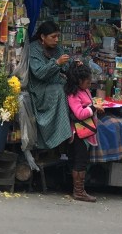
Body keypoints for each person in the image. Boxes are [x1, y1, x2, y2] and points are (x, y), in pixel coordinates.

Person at [27, 20, 72, 151]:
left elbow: (66, 67)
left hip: (55, 83)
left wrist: (73, 64)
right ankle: (59, 140)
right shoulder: (34, 49)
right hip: (39, 89)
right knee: (59, 90)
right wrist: (57, 63)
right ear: (42, 36)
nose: (56, 40)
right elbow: (39, 73)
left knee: (70, 90)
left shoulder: (57, 49)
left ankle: (68, 136)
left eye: (58, 36)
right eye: (53, 37)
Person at [65, 61, 104, 203]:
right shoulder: (73, 94)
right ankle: (79, 192)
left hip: (85, 131)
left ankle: (78, 190)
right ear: (79, 81)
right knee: (80, 161)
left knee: (80, 160)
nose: (89, 84)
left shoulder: (84, 90)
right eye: (87, 82)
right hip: (79, 133)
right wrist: (93, 108)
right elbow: (80, 113)